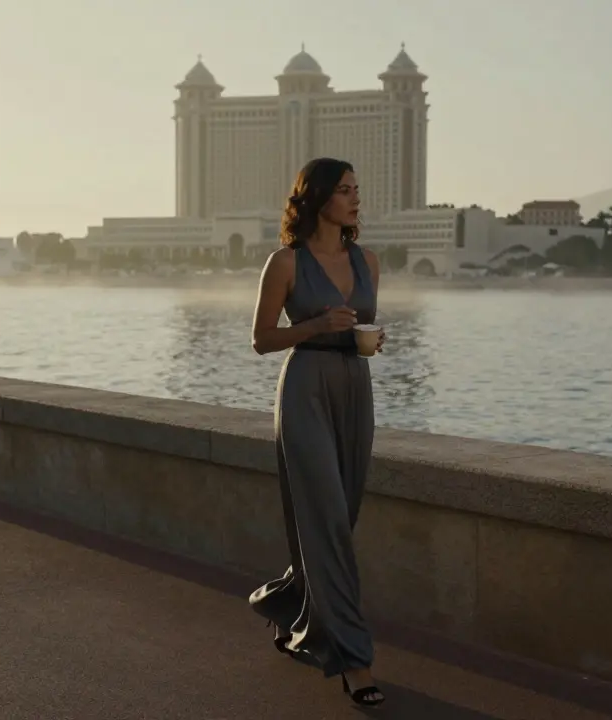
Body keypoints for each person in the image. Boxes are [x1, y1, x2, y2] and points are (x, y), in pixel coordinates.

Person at [248, 157, 386, 707]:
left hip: (355, 390)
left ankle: (285, 604)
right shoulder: (285, 262)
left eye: (357, 189)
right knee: (326, 521)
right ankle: (355, 661)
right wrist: (315, 326)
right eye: (345, 190)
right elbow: (261, 339)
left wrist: (368, 340)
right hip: (304, 390)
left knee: (339, 519)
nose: (355, 199)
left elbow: (362, 323)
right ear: (318, 197)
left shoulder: (369, 260)